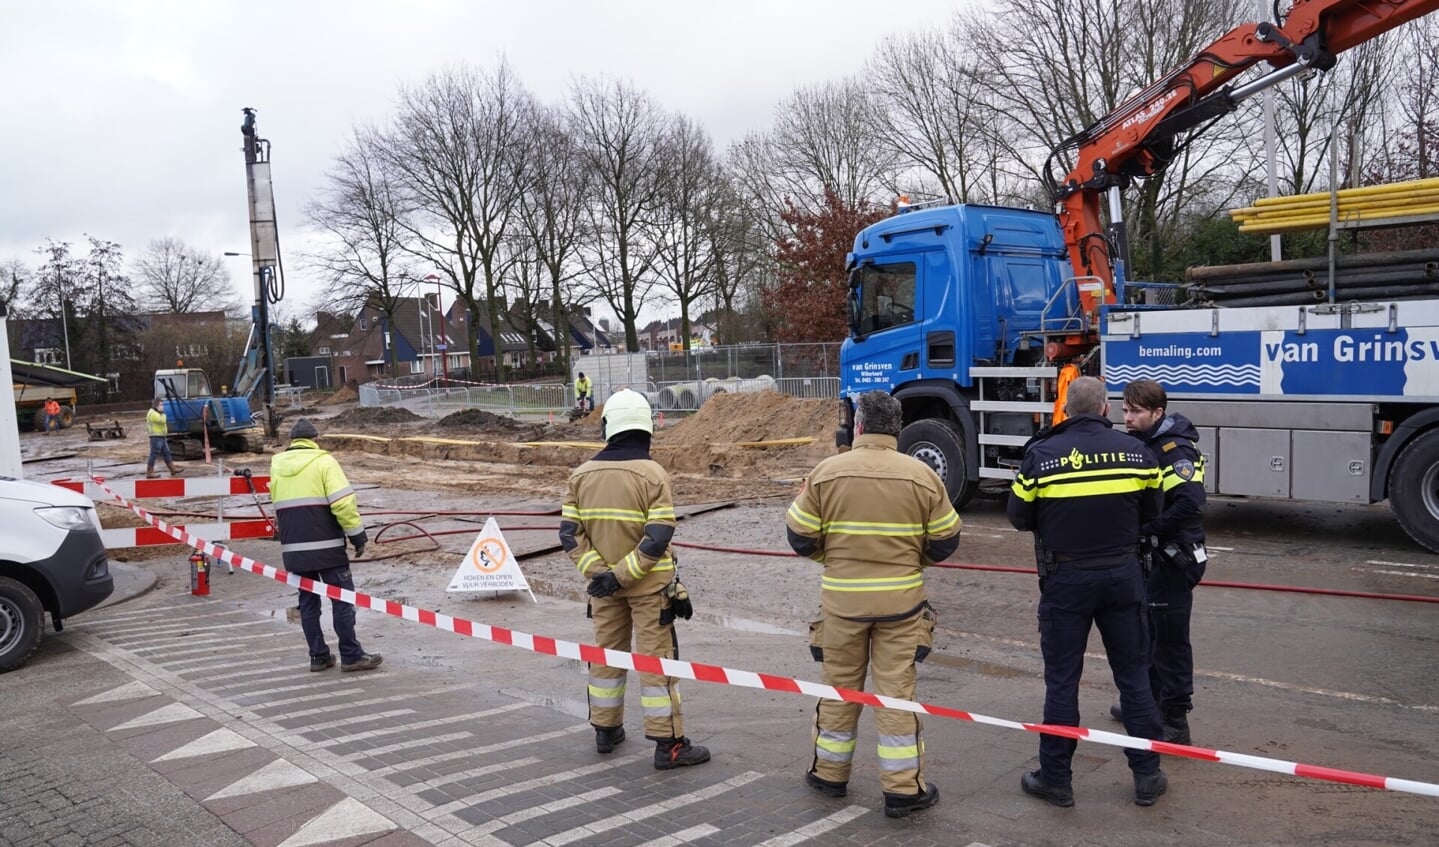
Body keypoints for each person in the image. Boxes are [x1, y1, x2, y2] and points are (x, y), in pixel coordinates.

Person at [785, 390, 961, 819]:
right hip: (902, 607)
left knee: (839, 687)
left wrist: (834, 559)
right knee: (897, 694)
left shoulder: (827, 473)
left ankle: (829, 775)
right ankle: (903, 790)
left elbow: (800, 537)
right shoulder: (921, 476)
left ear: (859, 426)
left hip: (843, 606)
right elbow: (946, 540)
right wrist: (910, 560)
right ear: (896, 430)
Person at [1007, 376, 1169, 808]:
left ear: (1065, 410)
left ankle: (1056, 779)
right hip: (1123, 577)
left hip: (1066, 582)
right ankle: (1148, 775)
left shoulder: (1040, 455)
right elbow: (1154, 510)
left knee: (1062, 681)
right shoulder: (1138, 453)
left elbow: (1019, 517)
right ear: (1104, 410)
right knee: (1134, 678)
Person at [558, 388, 708, 770]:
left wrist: (603, 577)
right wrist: (624, 576)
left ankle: (605, 731)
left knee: (605, 658)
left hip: (602, 590)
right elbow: (657, 537)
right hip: (649, 590)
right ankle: (669, 745)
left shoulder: (580, 475)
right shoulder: (653, 474)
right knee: (657, 662)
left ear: (608, 427)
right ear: (645, 428)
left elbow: (569, 535)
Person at [1109, 378, 1208, 745]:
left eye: (1135, 412)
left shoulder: (1175, 451)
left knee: (1170, 642)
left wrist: (1147, 529)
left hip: (1175, 557)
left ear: (1157, 412)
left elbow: (1190, 503)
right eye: (1125, 410)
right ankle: (1149, 704)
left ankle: (1175, 721)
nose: (1128, 417)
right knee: (1149, 636)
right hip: (1157, 555)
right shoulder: (1145, 443)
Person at [269, 417, 382, 673]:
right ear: (315, 440)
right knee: (342, 600)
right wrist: (357, 536)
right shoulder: (324, 462)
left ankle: (319, 657)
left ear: (293, 442)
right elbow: (342, 503)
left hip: (294, 551)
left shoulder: (276, 465)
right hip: (328, 548)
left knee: (308, 603)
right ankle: (351, 656)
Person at [145, 397, 179, 478]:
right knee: (154, 454)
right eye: (161, 405)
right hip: (156, 437)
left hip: (161, 436)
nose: (163, 406)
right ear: (156, 406)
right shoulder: (153, 413)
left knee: (166, 453)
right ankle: (149, 472)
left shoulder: (156, 413)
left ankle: (172, 469)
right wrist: (163, 414)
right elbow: (162, 420)